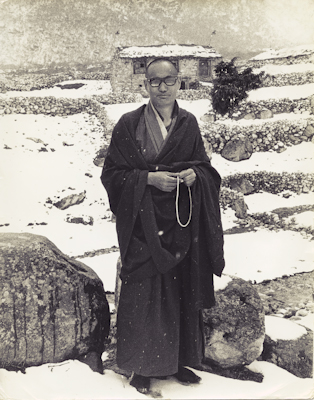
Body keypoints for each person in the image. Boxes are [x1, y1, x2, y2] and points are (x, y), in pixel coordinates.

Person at [101, 58, 225, 394]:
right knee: (144, 293)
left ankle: (179, 362)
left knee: (180, 290)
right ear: (145, 85)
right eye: (154, 81)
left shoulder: (188, 124)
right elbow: (111, 175)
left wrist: (195, 176)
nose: (162, 87)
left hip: (181, 225)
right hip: (144, 225)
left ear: (179, 82)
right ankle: (140, 367)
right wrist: (149, 179)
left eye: (169, 80)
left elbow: (206, 169)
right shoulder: (128, 124)